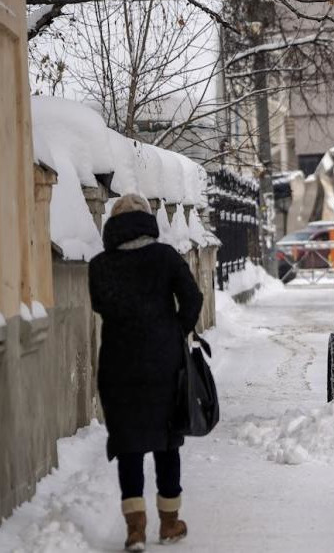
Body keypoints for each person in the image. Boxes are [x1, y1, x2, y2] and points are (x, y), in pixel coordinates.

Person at [89, 194, 204, 552]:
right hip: (163, 361)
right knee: (167, 440)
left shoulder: (100, 265)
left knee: (129, 443)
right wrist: (176, 330)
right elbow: (192, 298)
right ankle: (169, 523)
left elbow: (101, 304)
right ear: (147, 221)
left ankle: (135, 529)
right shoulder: (166, 257)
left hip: (118, 363)